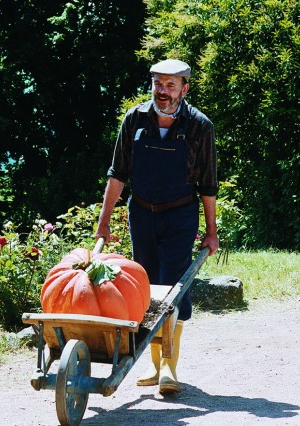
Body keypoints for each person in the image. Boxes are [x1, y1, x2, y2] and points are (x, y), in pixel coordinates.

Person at [95, 58, 219, 394]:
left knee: (174, 284)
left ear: (184, 88)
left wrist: (211, 231)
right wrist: (104, 222)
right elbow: (118, 173)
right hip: (142, 213)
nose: (162, 92)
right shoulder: (135, 119)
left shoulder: (199, 126)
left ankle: (168, 367)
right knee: (144, 285)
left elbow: (208, 183)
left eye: (170, 85)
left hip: (180, 214)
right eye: (157, 84)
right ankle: (154, 367)